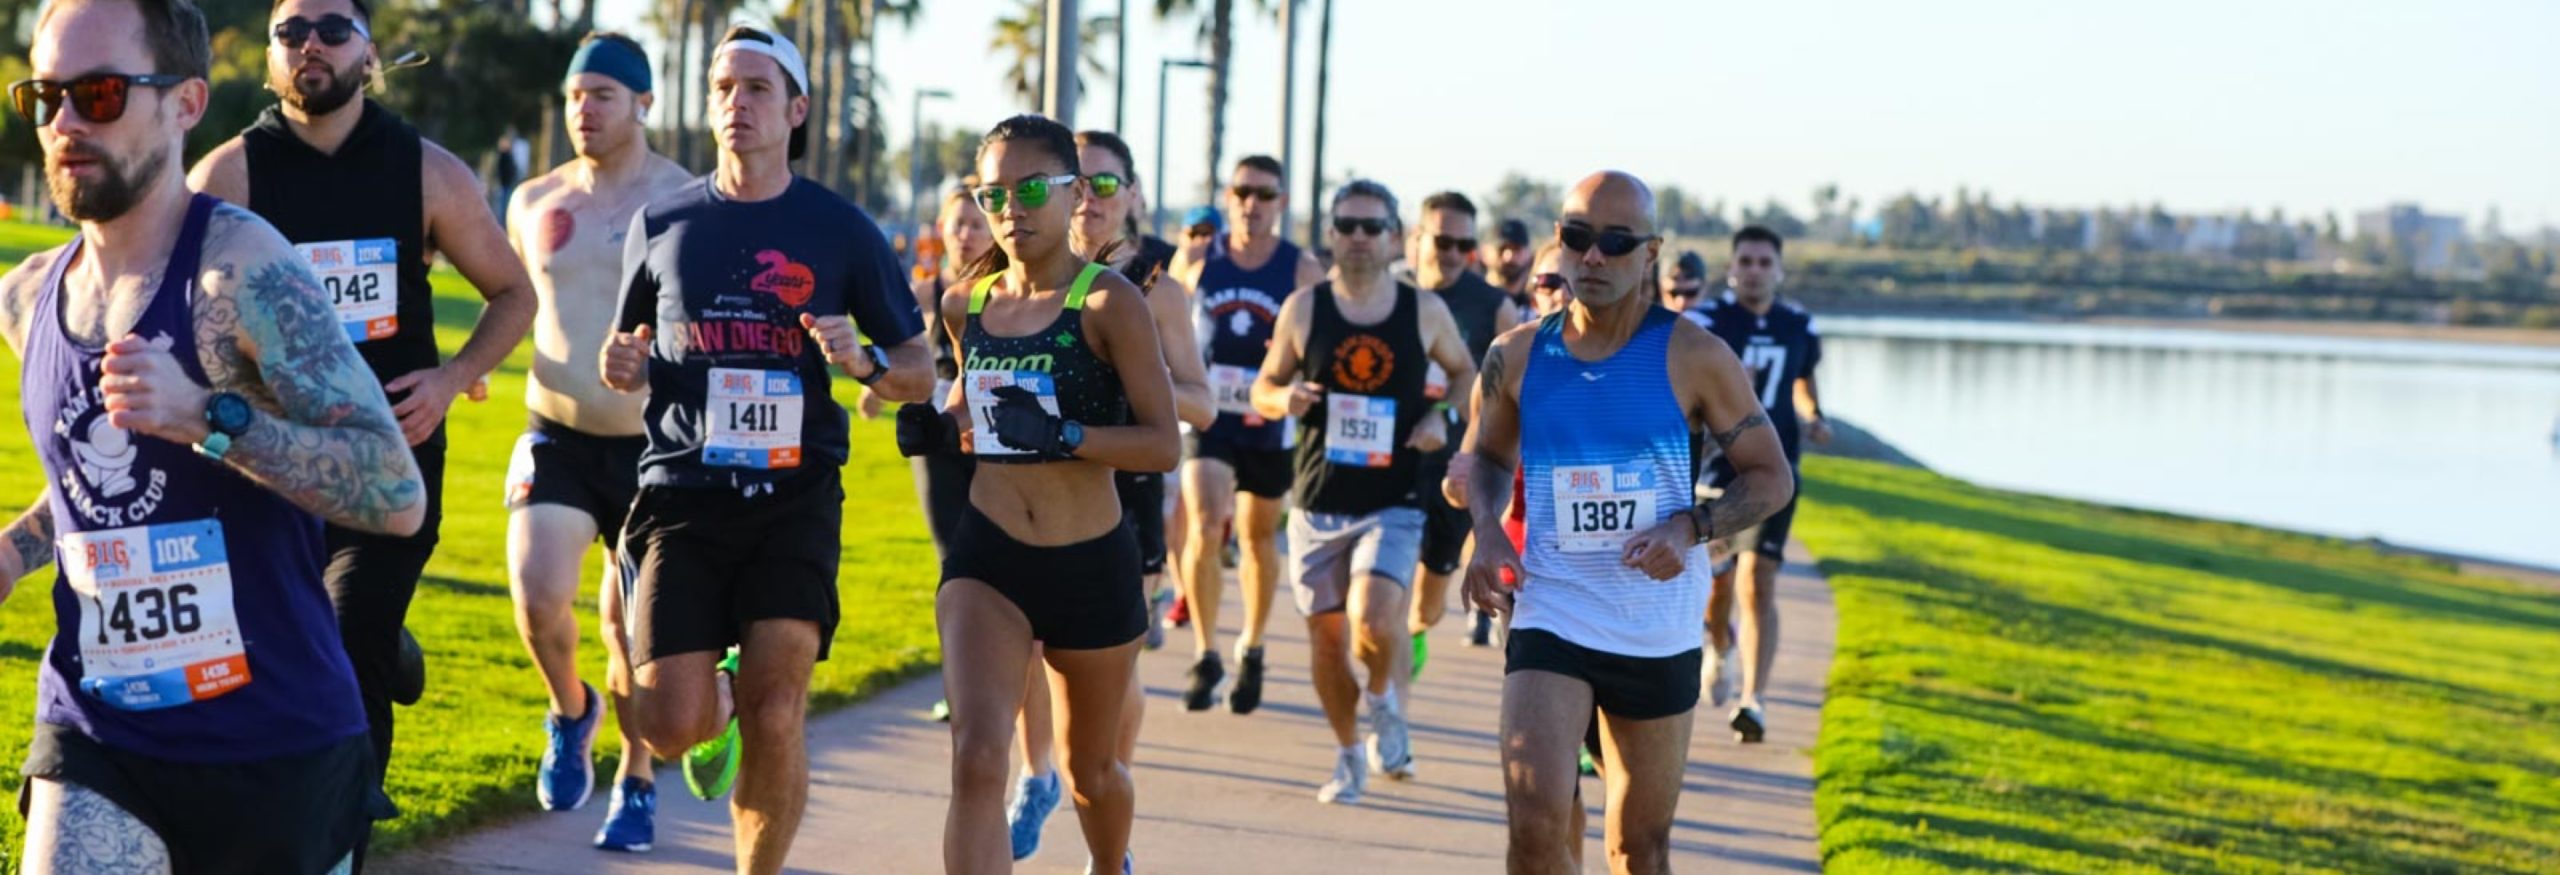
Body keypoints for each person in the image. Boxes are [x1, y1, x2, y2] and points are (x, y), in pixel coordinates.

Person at [0, 0, 428, 869]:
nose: (69, 122)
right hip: (100, 725)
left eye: (103, 93)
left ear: (186, 103)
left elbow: (394, 491)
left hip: (276, 744)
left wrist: (205, 416)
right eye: (46, 98)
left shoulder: (245, 274)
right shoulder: (29, 295)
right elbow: (92, 475)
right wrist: (14, 550)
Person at [187, 0, 539, 843]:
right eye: (290, 31)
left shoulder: (427, 170)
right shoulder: (227, 177)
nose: (310, 44)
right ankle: (386, 650)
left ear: (369, 51)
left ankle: (340, 832)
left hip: (390, 454)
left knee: (349, 642)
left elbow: (514, 292)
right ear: (272, 57)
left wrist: (454, 377)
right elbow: (177, 315)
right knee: (277, 652)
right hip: (267, 463)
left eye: (332, 29)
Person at [597, 25, 932, 874]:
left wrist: (862, 362)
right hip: (684, 497)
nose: (735, 104)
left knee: (778, 708)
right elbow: (626, 353)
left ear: (796, 108)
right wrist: (622, 364)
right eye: (722, 88)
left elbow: (920, 370)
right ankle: (713, 701)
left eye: (754, 88)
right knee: (668, 725)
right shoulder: (663, 220)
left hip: (794, 494)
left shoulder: (841, 229)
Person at [1461, 171, 1795, 873]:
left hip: (1656, 623)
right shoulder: (1515, 355)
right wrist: (1488, 529)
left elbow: (1771, 476)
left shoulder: (1695, 356)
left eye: (1616, 242)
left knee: (1636, 846)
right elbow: (1487, 457)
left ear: (1650, 253)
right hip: (1553, 609)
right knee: (1534, 820)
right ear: (1559, 243)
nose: (1594, 257)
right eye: (1579, 238)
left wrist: (1691, 527)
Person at [896, 113, 1178, 875]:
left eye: (1029, 188)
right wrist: (938, 420)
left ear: (1072, 190)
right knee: (979, 759)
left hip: (1091, 562)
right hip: (990, 557)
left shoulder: (1109, 303)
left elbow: (1163, 442)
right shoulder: (967, 304)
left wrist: (1064, 436)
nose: (1011, 208)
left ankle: (1110, 862)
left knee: (1093, 775)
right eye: (993, 194)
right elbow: (974, 408)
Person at [995, 128, 1216, 862]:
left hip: (1125, 497)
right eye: (1076, 181)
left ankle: (1102, 810)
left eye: (1107, 184)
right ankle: (1036, 773)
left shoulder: (1155, 287)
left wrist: (1119, 374)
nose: (1089, 197)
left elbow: (1201, 405)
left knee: (1107, 679)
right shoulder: (1017, 270)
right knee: (1024, 638)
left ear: (1132, 196)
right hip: (1029, 489)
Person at [499, 31, 694, 851]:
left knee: (627, 630)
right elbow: (508, 293)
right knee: (539, 595)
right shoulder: (535, 199)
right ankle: (568, 708)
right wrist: (473, 363)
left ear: (643, 103)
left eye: (603, 96)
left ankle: (636, 780)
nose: (584, 110)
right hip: (557, 432)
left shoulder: (686, 199)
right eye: (577, 96)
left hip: (651, 452)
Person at [1253, 180, 1477, 803]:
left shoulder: (1421, 310)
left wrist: (1442, 419)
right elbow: (1264, 386)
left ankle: (1383, 698)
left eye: (1371, 227)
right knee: (1326, 644)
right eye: (1346, 226)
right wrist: (1284, 398)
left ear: (1394, 237)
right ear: (1331, 235)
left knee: (1374, 619)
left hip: (1394, 497)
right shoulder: (1305, 308)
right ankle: (1350, 753)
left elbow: (1465, 372)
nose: (1358, 238)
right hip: (1319, 498)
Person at [1172, 155, 1324, 713]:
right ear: (1228, 196)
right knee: (1207, 524)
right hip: (1210, 413)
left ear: (1281, 203)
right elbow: (1165, 324)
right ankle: (1206, 651)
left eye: (1263, 194)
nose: (1251, 204)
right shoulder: (1197, 260)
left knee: (1259, 537)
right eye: (1241, 192)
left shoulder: (1299, 268)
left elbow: (1322, 339)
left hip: (1270, 415)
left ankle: (1253, 645)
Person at [1692, 225, 1831, 741]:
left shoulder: (1799, 324)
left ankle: (1754, 699)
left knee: (1759, 581)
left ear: (1778, 269)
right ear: (1731, 268)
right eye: (1745, 261)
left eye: (1763, 262)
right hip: (1716, 468)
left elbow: (1803, 380)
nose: (1754, 270)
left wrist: (1814, 415)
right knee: (1716, 580)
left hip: (1774, 471)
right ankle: (1718, 648)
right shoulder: (1708, 322)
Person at [873, 186, 987, 729]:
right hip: (937, 444)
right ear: (941, 229)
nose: (965, 234)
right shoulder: (923, 293)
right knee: (953, 561)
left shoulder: (1002, 297)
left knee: (996, 561)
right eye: (957, 223)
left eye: (975, 224)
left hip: (991, 443)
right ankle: (959, 683)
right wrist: (879, 388)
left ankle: (1001, 677)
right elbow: (903, 359)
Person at [1407, 191, 1517, 679]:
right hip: (1386, 462)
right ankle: (1387, 656)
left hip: (1452, 468)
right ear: (1418, 238)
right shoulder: (1386, 291)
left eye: (1464, 245)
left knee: (1427, 601)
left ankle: (1411, 631)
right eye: (1443, 240)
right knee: (1376, 586)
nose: (1453, 253)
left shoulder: (1494, 307)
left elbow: (1504, 399)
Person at [1486, 218, 1535, 304]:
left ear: (1529, 253)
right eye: (1501, 249)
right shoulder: (1477, 299)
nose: (1509, 257)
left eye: (1516, 249)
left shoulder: (1538, 302)